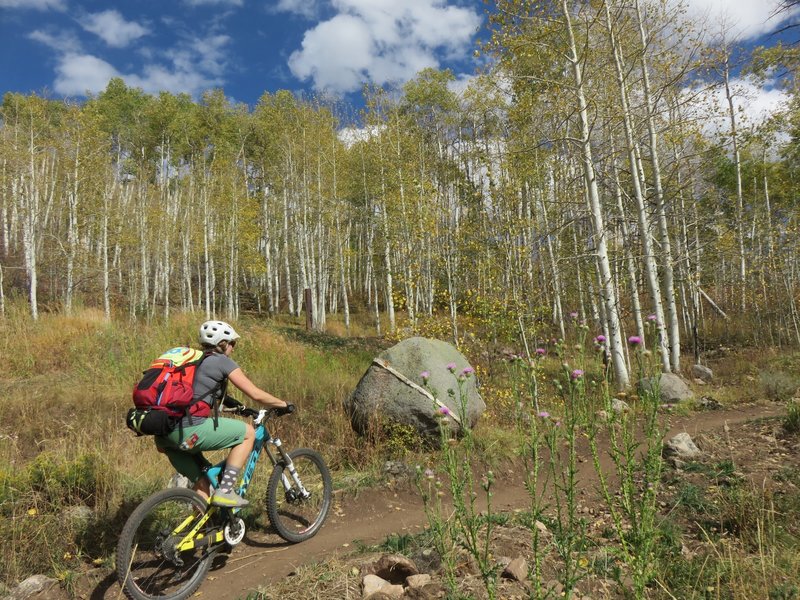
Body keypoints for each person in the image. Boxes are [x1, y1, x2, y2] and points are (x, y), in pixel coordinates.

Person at [155, 320, 291, 508]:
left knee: (202, 483)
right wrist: (284, 404)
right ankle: (226, 490)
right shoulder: (221, 361)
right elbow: (255, 393)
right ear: (223, 344)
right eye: (232, 343)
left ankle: (201, 534)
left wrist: (240, 408)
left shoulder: (193, 362)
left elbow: (201, 393)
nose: (233, 348)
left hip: (163, 436)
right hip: (189, 430)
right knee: (248, 433)